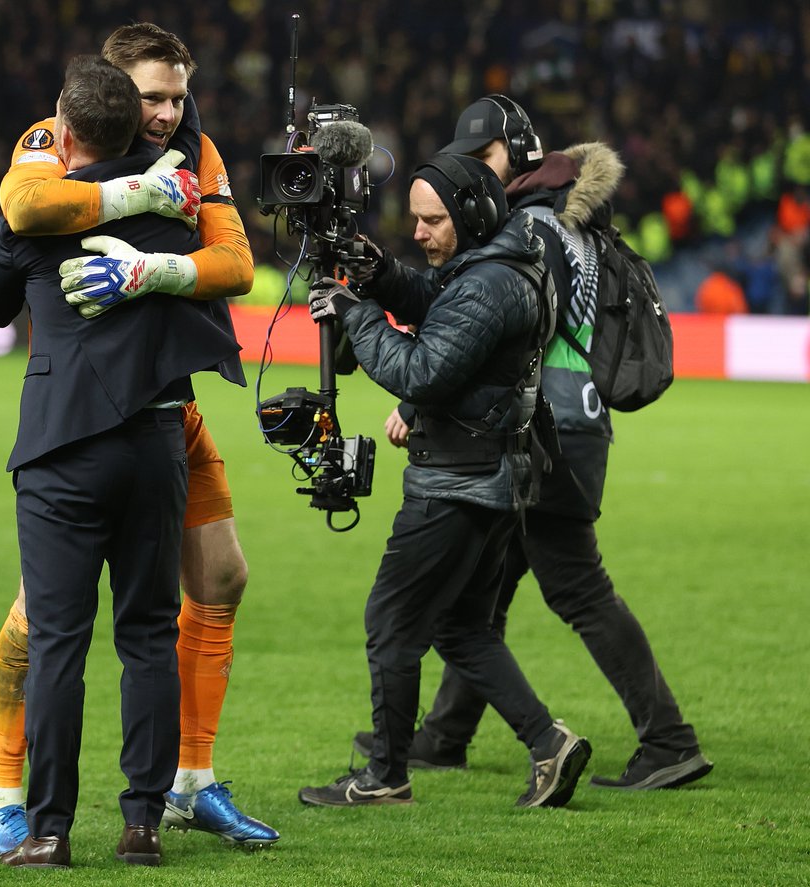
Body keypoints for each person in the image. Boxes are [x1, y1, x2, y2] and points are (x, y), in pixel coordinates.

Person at [0, 22, 279, 857]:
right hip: (100, 413)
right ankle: (3, 790)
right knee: (50, 617)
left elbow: (238, 264)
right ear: (109, 88)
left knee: (220, 575)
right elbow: (26, 204)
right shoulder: (50, 136)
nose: (170, 113)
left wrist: (155, 272)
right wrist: (137, 198)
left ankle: (187, 784)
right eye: (153, 96)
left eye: (179, 95)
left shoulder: (196, 148)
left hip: (161, 407)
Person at [354, 96, 712, 790]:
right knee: (483, 591)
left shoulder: (528, 227)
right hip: (566, 421)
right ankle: (444, 733)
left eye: (481, 158)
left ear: (516, 158)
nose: (470, 173)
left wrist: (412, 394)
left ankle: (667, 738)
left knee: (572, 585)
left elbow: (500, 329)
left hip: (544, 424)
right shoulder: (568, 221)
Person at [298, 151, 591, 810]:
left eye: (433, 222)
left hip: (458, 480)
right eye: (416, 221)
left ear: (475, 214)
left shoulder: (490, 284)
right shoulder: (501, 263)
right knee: (463, 629)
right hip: (494, 477)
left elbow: (423, 371)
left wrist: (355, 312)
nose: (421, 233)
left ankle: (385, 776)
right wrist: (383, 278)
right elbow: (441, 299)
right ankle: (549, 742)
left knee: (392, 623)